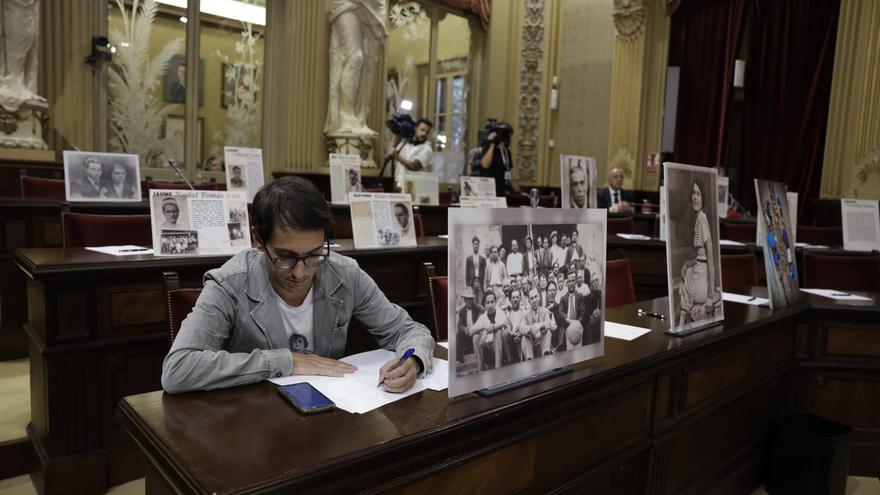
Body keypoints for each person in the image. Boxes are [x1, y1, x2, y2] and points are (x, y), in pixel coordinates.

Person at [161, 176, 434, 393]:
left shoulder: (345, 274)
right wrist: (285, 361)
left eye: (314, 254)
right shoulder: (228, 283)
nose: (301, 272)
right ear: (258, 239)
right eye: (286, 257)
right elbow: (179, 369)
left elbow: (407, 330)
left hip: (327, 420)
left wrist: (413, 359)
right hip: (251, 424)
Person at [678, 179, 720, 326]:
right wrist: (688, 262)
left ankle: (685, 321)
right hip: (699, 270)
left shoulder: (702, 219)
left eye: (698, 194)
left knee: (681, 280)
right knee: (685, 270)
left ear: (703, 198)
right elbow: (700, 256)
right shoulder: (699, 217)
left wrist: (710, 295)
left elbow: (711, 259)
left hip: (702, 281)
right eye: (693, 193)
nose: (695, 197)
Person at [476, 123, 525, 198]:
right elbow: (485, 165)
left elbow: (509, 175)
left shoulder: (507, 152)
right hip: (488, 192)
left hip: (501, 191)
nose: (511, 139)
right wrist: (492, 143)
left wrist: (519, 192)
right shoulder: (487, 147)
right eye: (509, 136)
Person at [386, 118, 434, 192]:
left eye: (427, 132)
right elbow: (390, 152)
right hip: (399, 185)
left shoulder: (427, 149)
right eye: (422, 130)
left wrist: (398, 157)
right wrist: (396, 134)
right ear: (415, 129)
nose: (424, 134)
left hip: (415, 189)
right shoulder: (405, 144)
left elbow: (414, 166)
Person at [520, 288, 556, 357]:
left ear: (539, 297)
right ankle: (529, 359)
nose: (534, 300)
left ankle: (545, 356)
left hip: (543, 343)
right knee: (524, 337)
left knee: (548, 331)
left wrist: (539, 325)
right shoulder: (526, 313)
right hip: (531, 345)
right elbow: (521, 327)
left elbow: (549, 323)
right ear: (529, 301)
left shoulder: (545, 311)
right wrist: (531, 328)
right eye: (532, 298)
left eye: (536, 297)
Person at [456, 287, 481, 365]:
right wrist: (464, 328)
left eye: (470, 299)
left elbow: (480, 322)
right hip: (467, 336)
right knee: (458, 335)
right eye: (467, 299)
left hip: (476, 334)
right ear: (464, 300)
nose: (469, 301)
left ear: (473, 299)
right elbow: (459, 326)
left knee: (476, 335)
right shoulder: (461, 311)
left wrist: (472, 329)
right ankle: (459, 358)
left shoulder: (478, 308)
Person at [465, 236, 486, 308]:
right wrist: (468, 286)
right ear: (472, 245)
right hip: (472, 283)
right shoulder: (469, 258)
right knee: (473, 302)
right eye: (474, 244)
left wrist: (484, 284)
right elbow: (467, 273)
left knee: (480, 302)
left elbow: (484, 272)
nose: (476, 246)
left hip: (480, 282)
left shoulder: (482, 259)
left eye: (477, 244)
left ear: (479, 245)